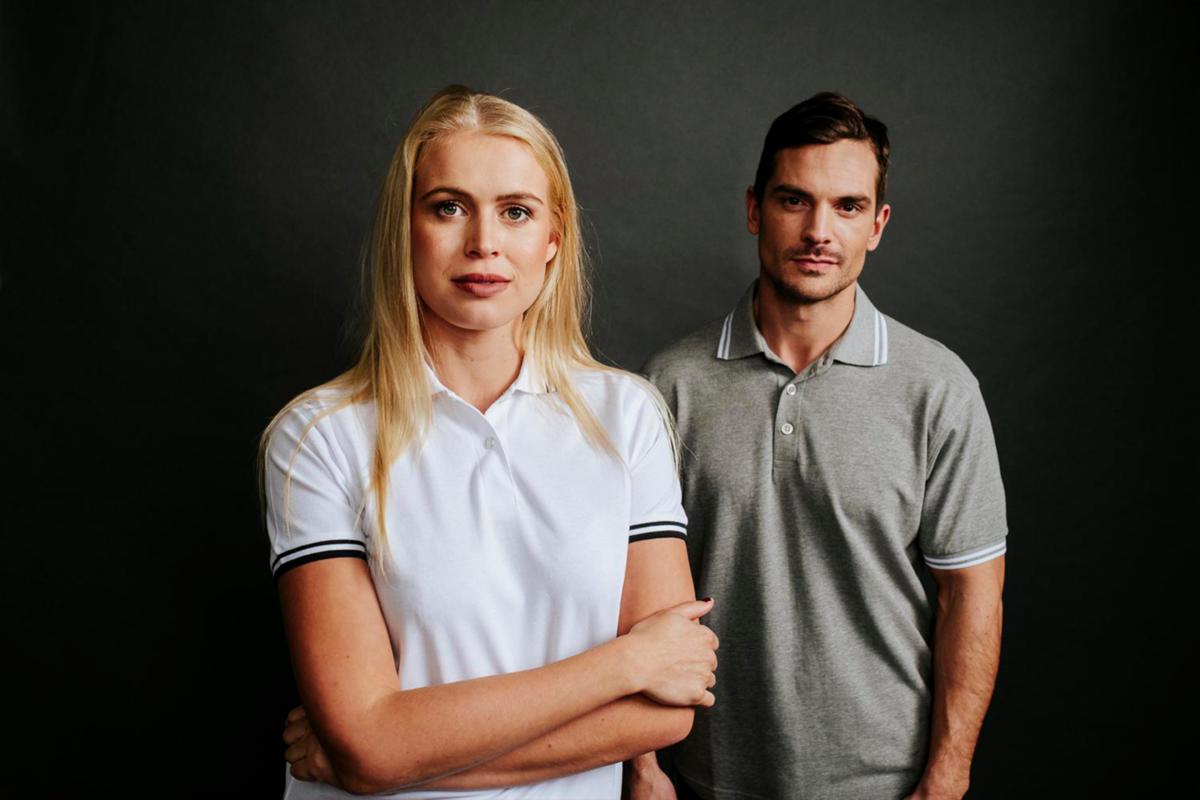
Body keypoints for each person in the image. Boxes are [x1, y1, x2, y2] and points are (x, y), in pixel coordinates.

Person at [261, 86, 719, 799]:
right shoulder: (317, 437)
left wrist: (382, 755)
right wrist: (623, 665)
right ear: (404, 230)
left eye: (516, 211)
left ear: (553, 239)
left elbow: (665, 712)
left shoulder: (627, 416)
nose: (484, 243)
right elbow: (370, 743)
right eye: (449, 207)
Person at [638, 92, 1007, 800]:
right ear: (755, 209)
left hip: (886, 782)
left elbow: (972, 596)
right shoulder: (669, 385)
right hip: (708, 777)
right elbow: (634, 594)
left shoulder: (939, 389)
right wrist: (644, 767)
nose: (818, 231)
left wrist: (947, 775)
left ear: (877, 225)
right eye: (794, 201)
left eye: (847, 206)